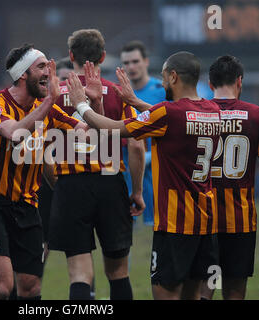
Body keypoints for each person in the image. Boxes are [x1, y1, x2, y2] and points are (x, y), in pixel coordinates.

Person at [67, 51, 221, 300]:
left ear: (173, 77)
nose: (161, 83)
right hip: (206, 223)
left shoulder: (167, 113)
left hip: (175, 224)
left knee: (166, 295)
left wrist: (80, 104)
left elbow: (114, 129)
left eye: (163, 77)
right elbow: (177, 120)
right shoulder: (212, 110)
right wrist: (136, 102)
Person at [0, 43, 86, 300]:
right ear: (23, 74)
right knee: (1, 287)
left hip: (26, 206)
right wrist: (50, 102)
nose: (49, 72)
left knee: (31, 287)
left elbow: (85, 131)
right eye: (42, 66)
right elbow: (15, 133)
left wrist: (92, 105)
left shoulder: (47, 108)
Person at [48, 29, 145, 300]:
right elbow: (137, 145)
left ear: (71, 56)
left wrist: (55, 182)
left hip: (70, 186)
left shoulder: (55, 93)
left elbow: (44, 148)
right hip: (110, 183)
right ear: (103, 55)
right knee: (118, 272)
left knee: (79, 273)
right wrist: (136, 192)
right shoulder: (117, 93)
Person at [200, 55, 258, 300]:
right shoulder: (255, 115)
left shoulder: (194, 114)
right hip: (240, 218)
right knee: (234, 291)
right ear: (240, 81)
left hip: (201, 217)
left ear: (210, 84)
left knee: (202, 286)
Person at [120, 40, 165, 227]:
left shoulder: (162, 91)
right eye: (126, 63)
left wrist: (148, 156)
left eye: (135, 61)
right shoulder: (119, 93)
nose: (131, 67)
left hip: (158, 175)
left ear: (146, 61)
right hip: (125, 173)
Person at [38, 57, 74, 264]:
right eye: (59, 80)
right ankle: (33, 285)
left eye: (68, 81)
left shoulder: (81, 112)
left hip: (73, 180)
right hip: (45, 181)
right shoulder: (44, 106)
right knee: (41, 241)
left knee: (78, 245)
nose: (63, 87)